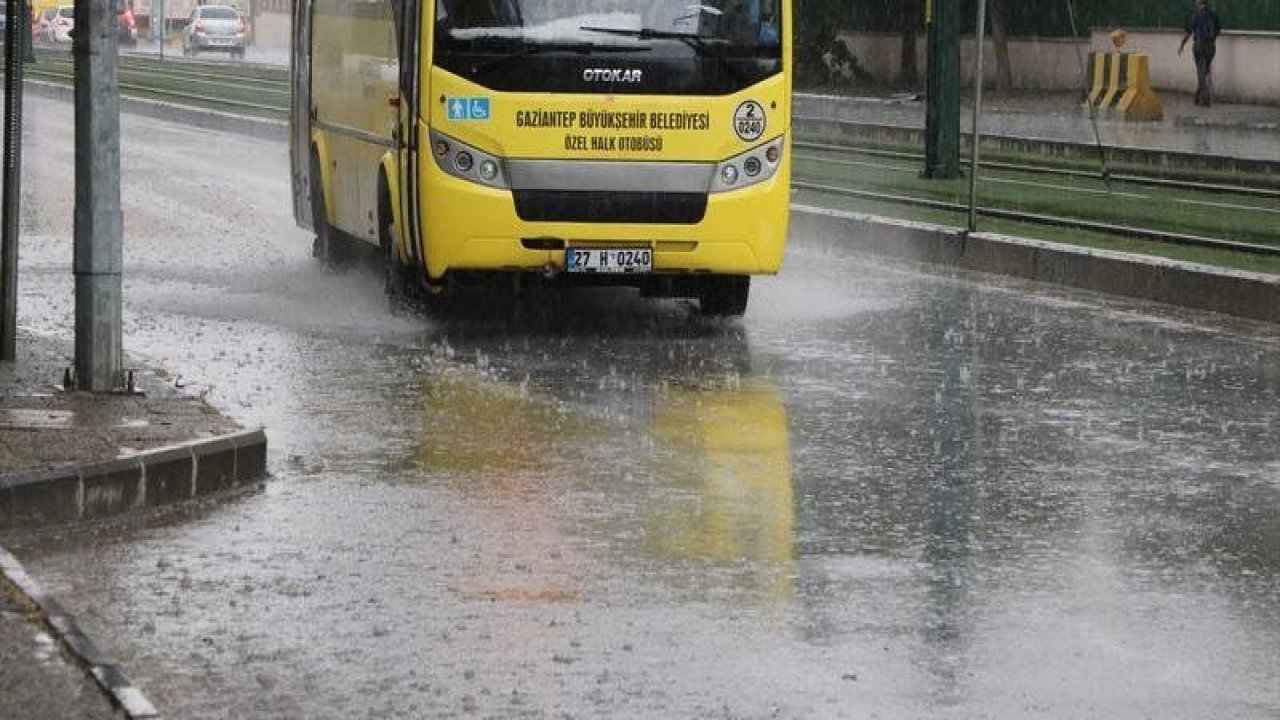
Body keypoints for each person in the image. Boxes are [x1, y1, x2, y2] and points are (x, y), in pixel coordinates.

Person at [1178, 0, 1221, 107]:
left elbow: (1189, 32)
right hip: (1211, 47)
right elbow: (1218, 30)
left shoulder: (1196, 15)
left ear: (1199, 3)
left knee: (1201, 73)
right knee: (1205, 71)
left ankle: (1205, 99)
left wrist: (1182, 45)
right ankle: (1197, 97)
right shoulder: (1213, 14)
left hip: (1199, 46)